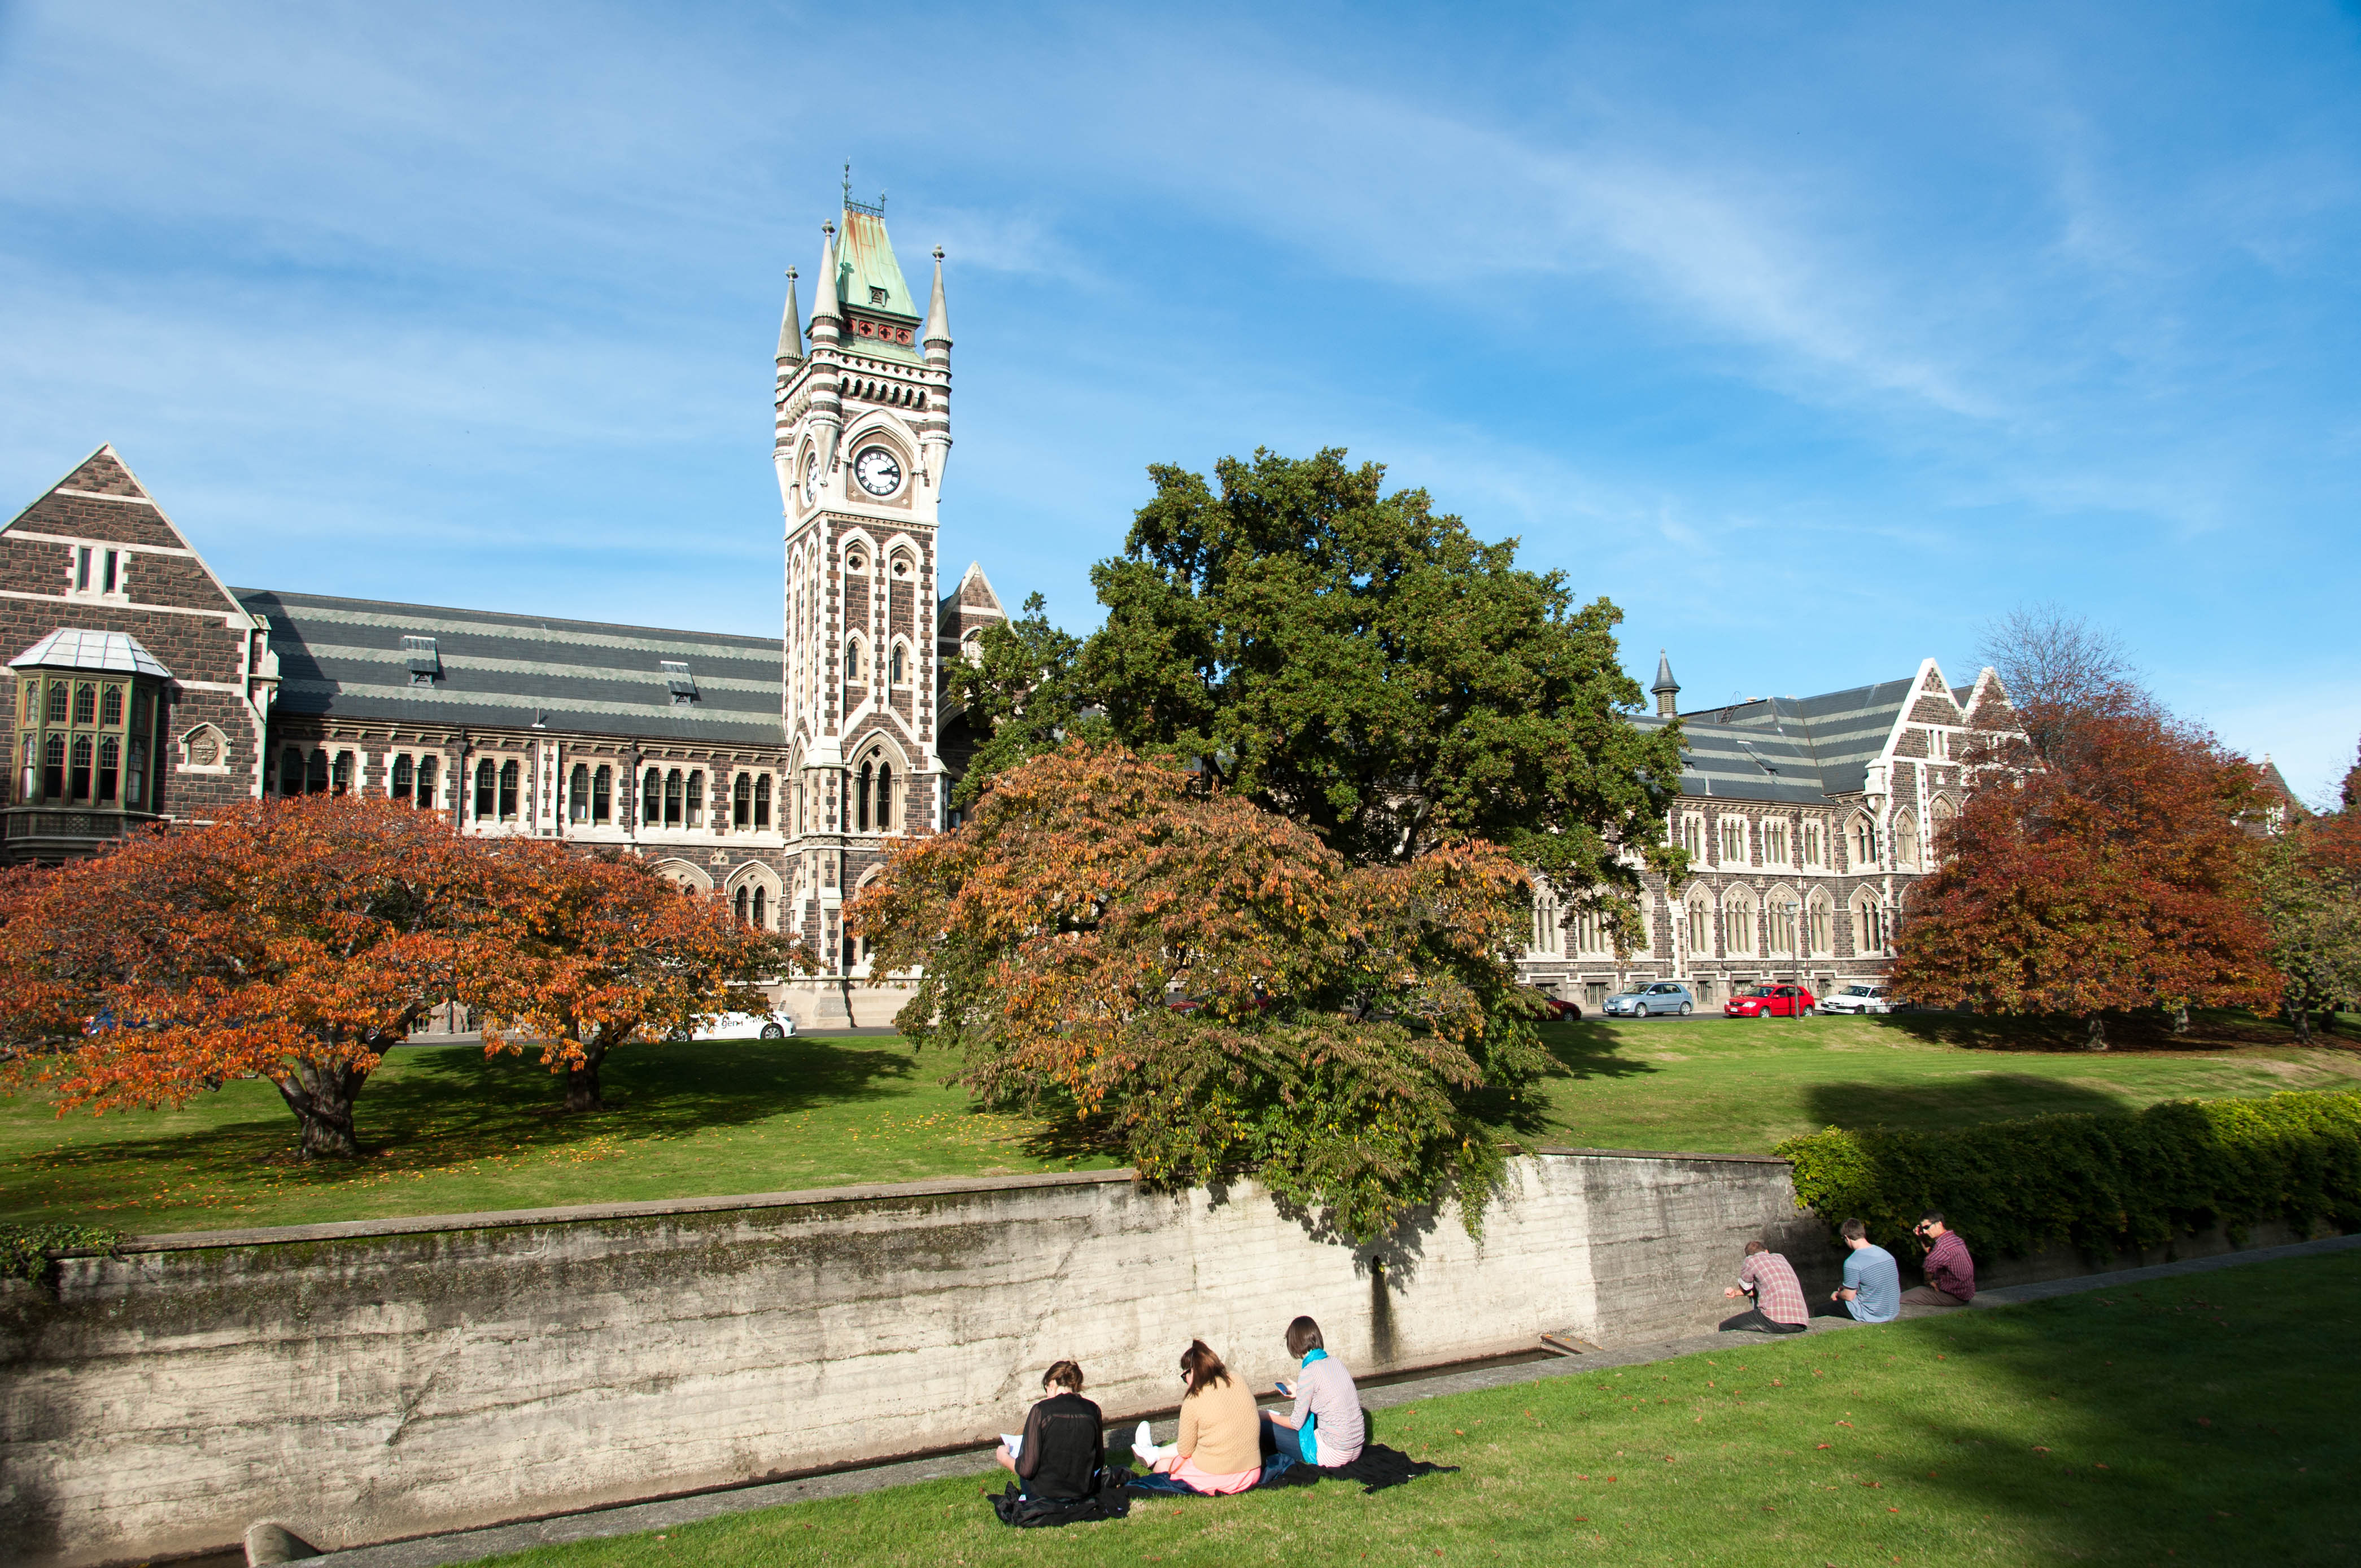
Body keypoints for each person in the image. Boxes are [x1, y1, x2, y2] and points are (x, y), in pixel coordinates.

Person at [1131, 1340, 1262, 1495]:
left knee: (1163, 1467)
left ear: (1192, 1372)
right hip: (1252, 1473)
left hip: (1220, 1478)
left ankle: (1153, 1454)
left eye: (1184, 1376)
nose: (1186, 1382)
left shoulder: (1194, 1399)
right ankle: (1152, 1452)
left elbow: (1185, 1451)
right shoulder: (1237, 1379)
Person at [1260, 1316, 1366, 1466]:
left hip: (1335, 1454)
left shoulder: (1308, 1372)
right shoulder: (1336, 1362)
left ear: (1294, 1344)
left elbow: (1296, 1423)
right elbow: (1327, 1394)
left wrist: (1267, 1416)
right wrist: (1301, 1391)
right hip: (1357, 1447)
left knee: (1265, 1427)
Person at [994, 1361, 1105, 1502]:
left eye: (1046, 1389)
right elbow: (1099, 1461)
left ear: (1052, 1384)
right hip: (1083, 1491)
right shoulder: (1093, 1410)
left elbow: (1027, 1470)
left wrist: (1005, 1458)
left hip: (1044, 1495)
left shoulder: (1041, 1410)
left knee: (1028, 1473)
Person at [1720, 1241, 1810, 1334]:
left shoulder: (1751, 1260)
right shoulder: (1780, 1257)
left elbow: (1746, 1287)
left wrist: (1738, 1290)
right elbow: (1770, 1288)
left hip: (1776, 1320)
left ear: (1749, 1256)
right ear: (1767, 1251)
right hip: (1801, 1321)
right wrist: (1736, 1293)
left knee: (1725, 1326)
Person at [1824, 1217, 1900, 1324]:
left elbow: (1849, 1296)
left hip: (1872, 1313)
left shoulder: (1853, 1262)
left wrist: (1837, 1294)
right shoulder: (1886, 1254)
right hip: (1892, 1311)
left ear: (1846, 1237)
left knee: (1822, 1310)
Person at [1900, 1211, 1975, 1307]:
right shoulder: (1955, 1239)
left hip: (1954, 1296)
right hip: (1965, 1293)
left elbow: (1928, 1267)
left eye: (1927, 1227)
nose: (1925, 1232)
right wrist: (1921, 1237)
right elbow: (1932, 1253)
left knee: (1903, 1298)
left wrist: (1929, 1281)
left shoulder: (1943, 1247)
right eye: (1923, 1229)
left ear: (1939, 1224)